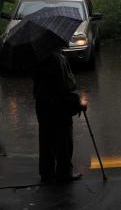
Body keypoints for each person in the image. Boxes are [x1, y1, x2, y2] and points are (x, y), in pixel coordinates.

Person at [32, 47, 87, 183]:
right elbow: (64, 86)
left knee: (46, 139)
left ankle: (47, 173)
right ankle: (64, 174)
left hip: (42, 104)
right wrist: (76, 101)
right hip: (58, 106)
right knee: (63, 141)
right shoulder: (57, 59)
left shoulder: (37, 57)